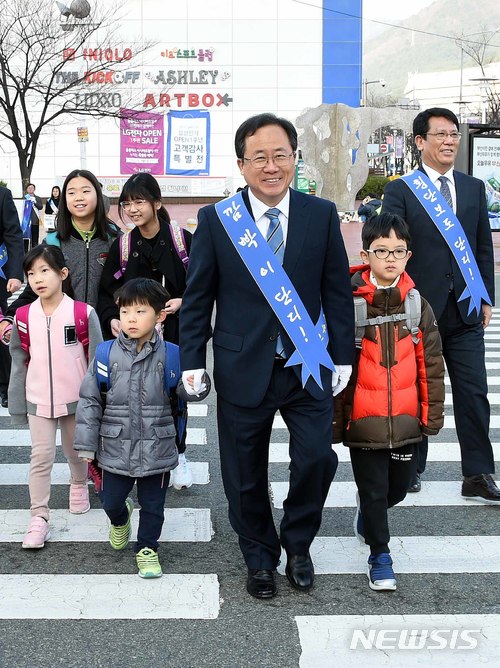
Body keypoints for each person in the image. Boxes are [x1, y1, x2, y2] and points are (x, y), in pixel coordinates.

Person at [179, 113, 355, 599]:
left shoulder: (321, 214)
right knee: (242, 471)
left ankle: (298, 543)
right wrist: (193, 360)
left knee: (317, 459)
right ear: (242, 164)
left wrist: (342, 356)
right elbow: (198, 298)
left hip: (310, 362)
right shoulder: (218, 220)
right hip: (242, 365)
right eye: (260, 157)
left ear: (295, 158)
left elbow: (337, 292)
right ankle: (259, 555)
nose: (271, 166)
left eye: (281, 155)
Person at [382, 107, 499, 502]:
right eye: (441, 135)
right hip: (419, 310)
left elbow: (482, 246)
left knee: (474, 392)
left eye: (454, 135)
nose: (450, 141)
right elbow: (391, 250)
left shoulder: (472, 187)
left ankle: (478, 474)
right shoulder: (401, 190)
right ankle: (413, 466)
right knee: (417, 390)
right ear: (420, 142)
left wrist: (487, 297)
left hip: (466, 308)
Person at [333, 212, 445, 591]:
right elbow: (337, 367)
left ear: (408, 256)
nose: (391, 258)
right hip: (364, 420)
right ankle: (380, 555)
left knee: (397, 489)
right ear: (366, 255)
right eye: (382, 251)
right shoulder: (348, 304)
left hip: (406, 420)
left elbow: (431, 366)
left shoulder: (417, 306)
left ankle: (369, 517)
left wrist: (430, 418)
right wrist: (336, 421)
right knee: (374, 489)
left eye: (399, 251)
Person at [74, 278, 210, 578]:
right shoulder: (105, 354)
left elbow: (188, 393)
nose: (131, 319)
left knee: (153, 506)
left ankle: (147, 548)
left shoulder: (173, 354)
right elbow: (90, 400)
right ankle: (120, 520)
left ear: (160, 316)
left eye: (140, 312)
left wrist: (196, 384)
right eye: (125, 312)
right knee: (110, 500)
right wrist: (86, 444)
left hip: (158, 444)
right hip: (114, 444)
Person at [97, 172, 194, 491]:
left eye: (139, 201)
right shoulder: (123, 245)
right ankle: (134, 459)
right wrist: (113, 317)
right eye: (126, 203)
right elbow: (106, 291)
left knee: (174, 397)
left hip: (175, 334)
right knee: (134, 398)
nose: (133, 208)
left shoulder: (183, 241)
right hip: (132, 339)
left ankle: (178, 455)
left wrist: (183, 300)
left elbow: (205, 284)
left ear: (157, 203)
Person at [8, 245, 102, 549]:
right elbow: (19, 362)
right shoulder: (23, 316)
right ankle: (39, 516)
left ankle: (78, 484)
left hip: (76, 397)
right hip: (38, 398)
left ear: (63, 274)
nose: (38, 278)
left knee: (75, 450)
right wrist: (17, 403)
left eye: (45, 271)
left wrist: (97, 399)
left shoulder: (82, 313)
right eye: (31, 273)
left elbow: (97, 358)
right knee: (41, 455)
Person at [0, 169, 118, 342]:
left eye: (86, 191)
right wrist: (10, 317)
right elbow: (34, 289)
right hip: (61, 338)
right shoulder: (52, 243)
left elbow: (122, 289)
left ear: (98, 196)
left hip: (108, 335)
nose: (78, 197)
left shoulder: (116, 241)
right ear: (65, 200)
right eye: (71, 193)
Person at [0, 186, 24, 407]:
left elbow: (13, 235)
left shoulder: (2, 195)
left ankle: (5, 384)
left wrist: (15, 273)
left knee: (0, 331)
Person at [25, 183, 43, 248]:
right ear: (26, 189)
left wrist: (34, 202)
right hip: (26, 222)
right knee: (26, 238)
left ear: (34, 189)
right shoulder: (24, 198)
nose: (30, 189)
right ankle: (26, 252)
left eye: (32, 188)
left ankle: (35, 252)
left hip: (34, 221)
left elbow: (40, 207)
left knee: (35, 238)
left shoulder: (38, 198)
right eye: (29, 188)